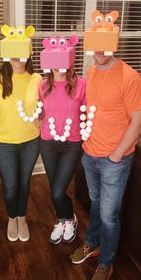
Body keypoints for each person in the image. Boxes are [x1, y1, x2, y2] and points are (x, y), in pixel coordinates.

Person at [70, 10, 141, 280]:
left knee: (108, 214)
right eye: (95, 42)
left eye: (106, 42)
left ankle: (106, 260)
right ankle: (92, 243)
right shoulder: (90, 72)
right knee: (95, 203)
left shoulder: (129, 76)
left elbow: (139, 122)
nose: (100, 50)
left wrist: (116, 154)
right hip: (89, 154)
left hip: (114, 160)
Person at [0, 24, 42, 242]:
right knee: (10, 187)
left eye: (22, 53)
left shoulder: (37, 79)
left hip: (31, 141)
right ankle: (12, 217)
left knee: (24, 183)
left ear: (28, 53)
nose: (18, 58)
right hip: (4, 142)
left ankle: (22, 217)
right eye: (14, 52)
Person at [39, 35, 85, 244]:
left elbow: (89, 112)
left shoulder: (81, 85)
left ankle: (71, 219)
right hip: (47, 143)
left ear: (70, 59)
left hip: (72, 143)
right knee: (54, 185)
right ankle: (62, 220)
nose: (58, 67)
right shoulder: (42, 86)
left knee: (58, 190)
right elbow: (40, 113)